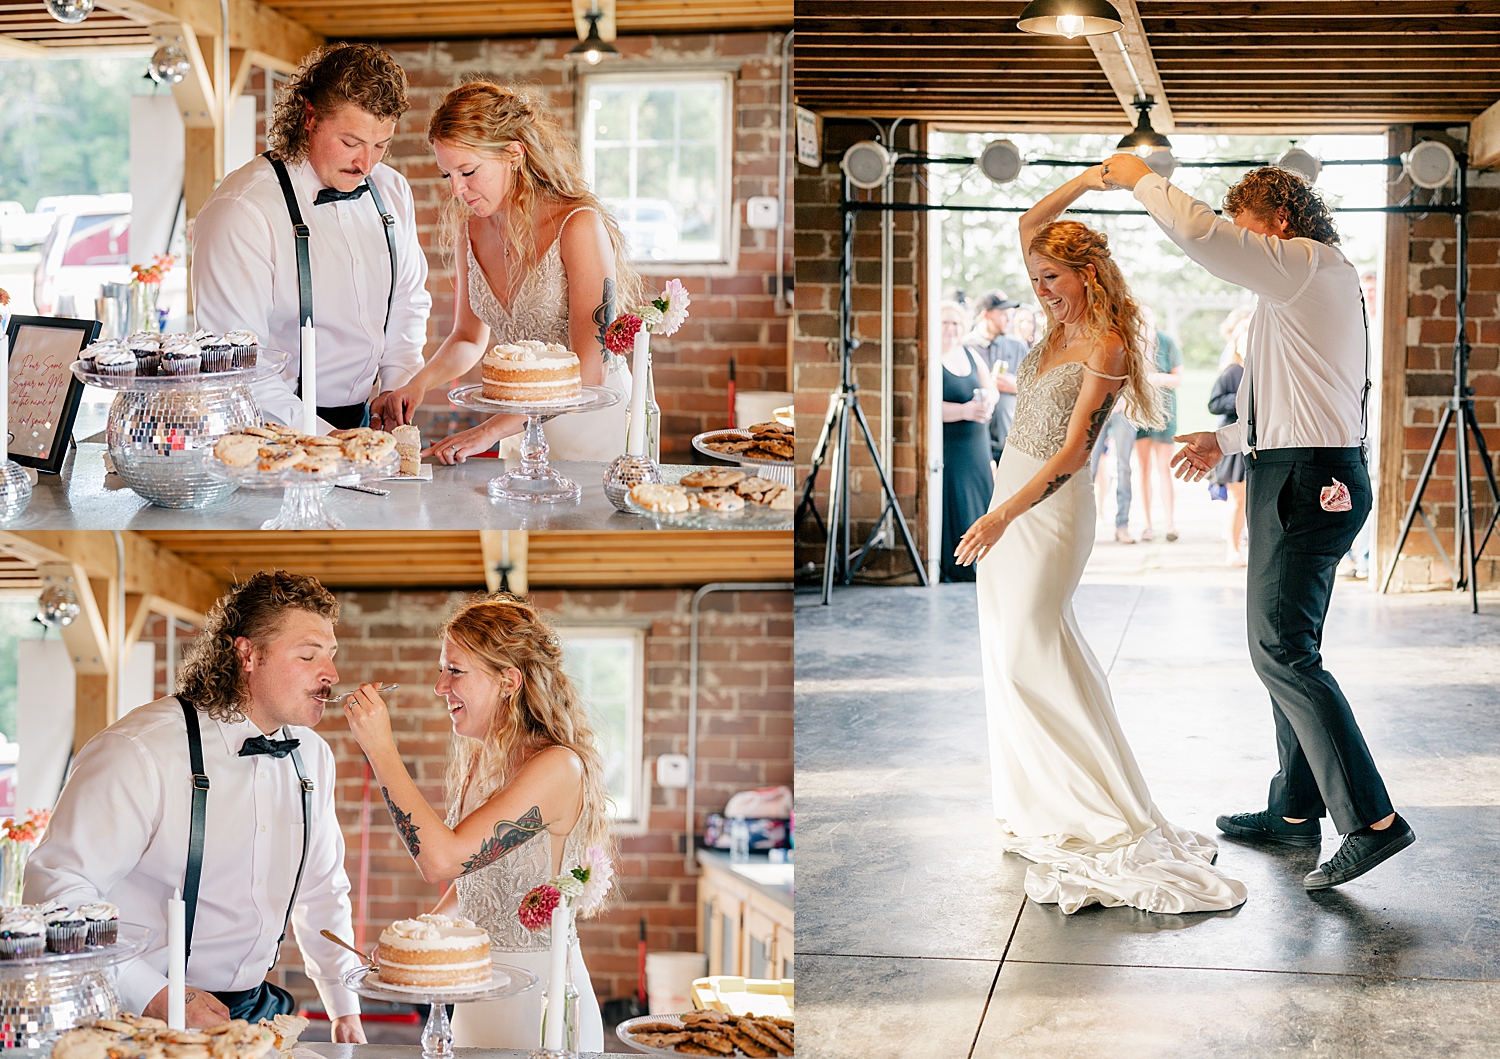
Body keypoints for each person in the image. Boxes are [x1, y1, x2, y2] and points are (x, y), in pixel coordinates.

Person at [1104, 153, 1413, 890]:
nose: (1240, 246)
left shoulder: (1304, 263)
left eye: (1248, 229)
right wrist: (1226, 439)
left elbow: (1203, 237)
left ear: (1280, 219)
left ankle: (1372, 821)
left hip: (1312, 479)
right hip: (1297, 467)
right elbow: (1295, 396)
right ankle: (1295, 811)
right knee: (1288, 647)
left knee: (1282, 652)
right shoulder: (1291, 292)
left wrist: (1140, 178)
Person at [953, 167, 1246, 915]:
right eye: (1039, 277)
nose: (1042, 288)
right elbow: (1029, 223)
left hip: (1045, 509)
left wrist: (1003, 514)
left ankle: (1101, 811)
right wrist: (1091, 178)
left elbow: (1076, 454)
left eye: (1054, 277)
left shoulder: (1108, 343)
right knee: (1018, 650)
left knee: (1029, 648)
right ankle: (1050, 798)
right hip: (1008, 494)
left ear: (1088, 274)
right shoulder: (1056, 325)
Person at [26, 572, 366, 1037]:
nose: (331, 673)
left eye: (331, 656)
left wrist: (344, 1008)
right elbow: (55, 889)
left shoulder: (313, 756)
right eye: (308, 655)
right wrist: (155, 994)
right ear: (248, 654)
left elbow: (322, 891)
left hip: (254, 1015)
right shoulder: (140, 749)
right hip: (136, 1016)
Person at [342, 594, 612, 1050]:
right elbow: (473, 881)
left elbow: (441, 861)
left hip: (542, 1007)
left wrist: (381, 751)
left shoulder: (557, 768)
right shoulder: (482, 761)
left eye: (455, 670)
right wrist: (419, 941)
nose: (439, 686)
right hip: (475, 999)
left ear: (508, 680)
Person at [370, 81, 638, 464]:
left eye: (468, 171)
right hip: (521, 426)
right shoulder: (471, 230)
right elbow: (467, 338)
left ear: (513, 153)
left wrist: (488, 431)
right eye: (448, 175)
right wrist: (418, 384)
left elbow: (590, 375)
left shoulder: (577, 226)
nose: (457, 190)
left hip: (592, 428)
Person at [194, 44, 432, 431]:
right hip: (273, 427)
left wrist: (396, 382)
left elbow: (408, 299)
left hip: (363, 421)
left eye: (380, 146)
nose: (366, 163)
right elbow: (236, 361)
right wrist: (325, 441)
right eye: (351, 143)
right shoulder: (242, 210)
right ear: (310, 117)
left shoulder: (391, 189)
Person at [939, 301, 998, 583]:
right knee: (958, 499)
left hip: (977, 444)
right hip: (952, 447)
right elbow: (927, 408)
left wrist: (988, 403)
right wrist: (964, 411)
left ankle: (985, 562)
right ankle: (960, 565)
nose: (951, 329)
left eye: (956, 323)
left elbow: (991, 389)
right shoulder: (931, 358)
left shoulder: (972, 355)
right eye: (945, 323)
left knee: (982, 497)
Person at [1134, 310, 1184, 542]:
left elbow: (1178, 379)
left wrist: (1157, 379)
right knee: (1143, 469)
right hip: (1139, 414)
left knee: (1164, 468)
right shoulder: (1131, 343)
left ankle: (1171, 523)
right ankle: (1147, 524)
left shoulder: (1167, 342)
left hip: (1164, 414)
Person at [962, 289, 1025, 460]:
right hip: (974, 441)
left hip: (1010, 443)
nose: (1008, 319)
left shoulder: (1018, 347)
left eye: (1010, 314)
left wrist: (1017, 387)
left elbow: (1040, 390)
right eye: (1003, 313)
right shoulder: (965, 347)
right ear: (986, 315)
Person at [1210, 309, 1252, 565]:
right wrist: (1240, 401)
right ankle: (1233, 548)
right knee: (1237, 499)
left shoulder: (1261, 372)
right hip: (1233, 445)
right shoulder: (1231, 373)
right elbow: (1214, 403)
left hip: (1255, 443)